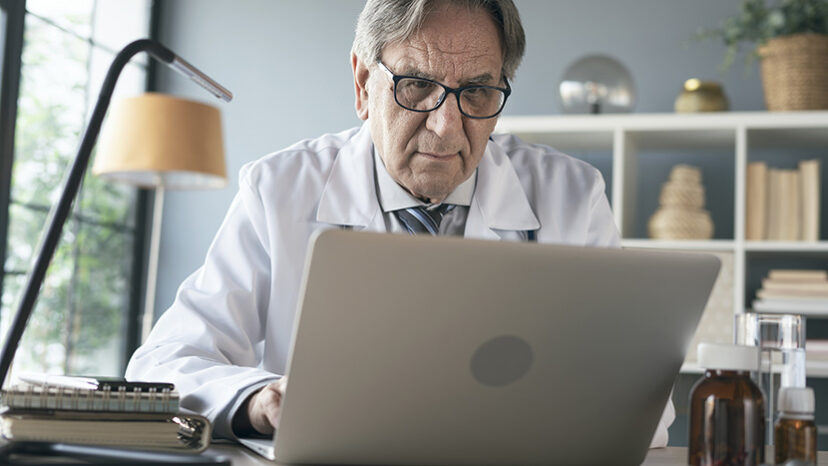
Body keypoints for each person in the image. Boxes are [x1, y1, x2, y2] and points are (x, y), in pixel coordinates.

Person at [126, 0, 674, 448]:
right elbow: (165, 364)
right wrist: (260, 401)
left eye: (477, 92)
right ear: (364, 84)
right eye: (415, 85)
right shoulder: (278, 190)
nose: (445, 127)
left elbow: (645, 404)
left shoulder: (571, 196)